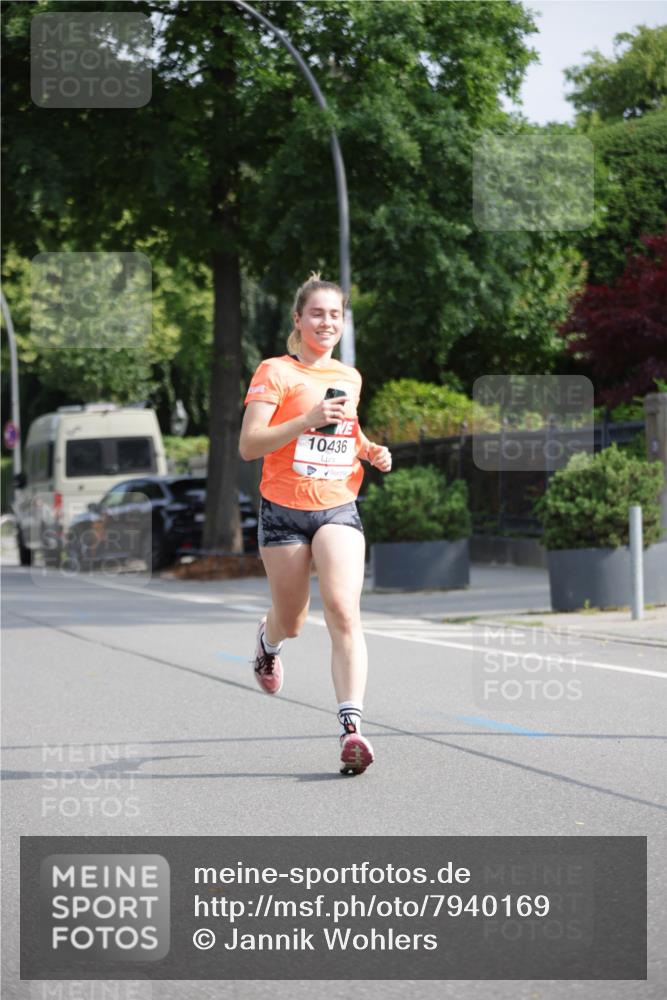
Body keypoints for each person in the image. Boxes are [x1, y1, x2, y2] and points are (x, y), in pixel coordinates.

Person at [239, 273, 392, 775]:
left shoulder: (350, 376)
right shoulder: (275, 372)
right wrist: (306, 419)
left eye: (335, 315)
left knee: (344, 611)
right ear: (299, 320)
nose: (327, 322)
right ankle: (269, 644)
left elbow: (347, 430)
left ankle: (352, 728)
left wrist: (368, 450)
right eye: (317, 314)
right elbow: (249, 445)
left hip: (337, 505)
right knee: (293, 620)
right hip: (282, 511)